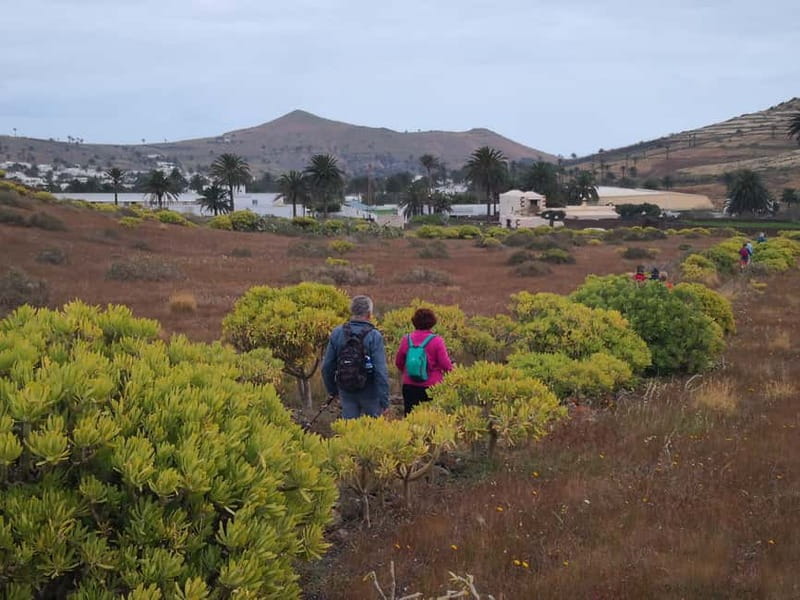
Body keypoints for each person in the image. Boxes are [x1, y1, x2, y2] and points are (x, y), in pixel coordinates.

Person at [322, 295, 390, 419]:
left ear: (352, 311)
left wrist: (333, 391)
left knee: (349, 429)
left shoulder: (337, 333)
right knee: (374, 430)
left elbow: (327, 367)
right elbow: (381, 372)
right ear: (369, 314)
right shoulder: (374, 336)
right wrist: (384, 401)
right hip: (370, 391)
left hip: (346, 390)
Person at [394, 308, 454, 416]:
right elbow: (445, 364)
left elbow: (399, 362)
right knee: (431, 419)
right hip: (432, 387)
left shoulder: (406, 339)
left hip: (409, 385)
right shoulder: (437, 341)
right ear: (432, 322)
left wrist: (409, 371)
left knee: (410, 417)